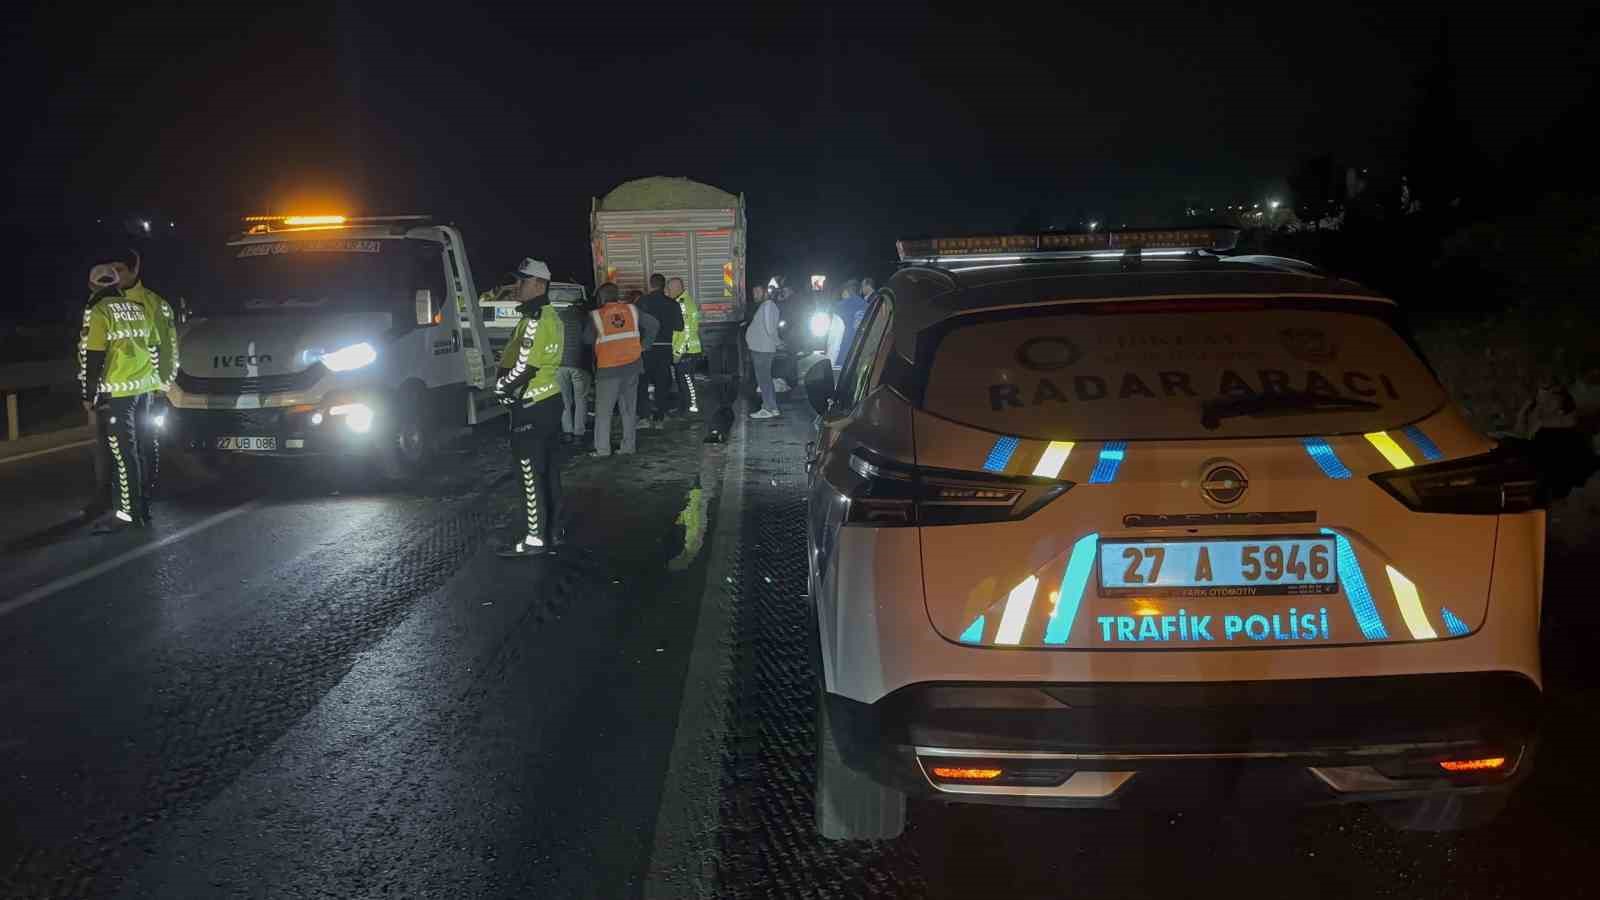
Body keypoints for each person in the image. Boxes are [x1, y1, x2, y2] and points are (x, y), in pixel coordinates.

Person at [78, 261, 161, 533]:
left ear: (92, 286)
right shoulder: (138, 308)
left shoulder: (99, 311)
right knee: (138, 450)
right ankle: (143, 506)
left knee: (124, 454)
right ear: (115, 285)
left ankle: (128, 514)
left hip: (118, 393)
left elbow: (93, 357)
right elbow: (154, 348)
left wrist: (89, 395)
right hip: (144, 389)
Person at [494, 258, 565, 558]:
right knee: (548, 472)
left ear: (538, 284)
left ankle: (535, 539)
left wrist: (502, 388)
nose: (517, 287)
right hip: (547, 403)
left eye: (521, 282)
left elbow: (526, 366)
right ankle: (553, 532)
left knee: (529, 474)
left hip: (531, 405)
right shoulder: (548, 316)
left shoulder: (536, 319)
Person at [114, 250, 176, 519]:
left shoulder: (154, 304)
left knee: (143, 443)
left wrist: (164, 384)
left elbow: (168, 346)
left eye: (120, 269)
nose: (115, 275)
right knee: (118, 449)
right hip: (113, 389)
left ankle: (144, 494)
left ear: (134, 269)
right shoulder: (104, 303)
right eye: (111, 269)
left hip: (144, 389)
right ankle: (123, 498)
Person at [586, 283, 659, 456]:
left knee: (604, 412)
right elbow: (654, 324)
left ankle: (603, 449)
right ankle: (628, 447)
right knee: (628, 410)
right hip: (632, 366)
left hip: (608, 369)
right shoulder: (632, 310)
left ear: (602, 297)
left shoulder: (596, 315)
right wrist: (643, 346)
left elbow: (587, 339)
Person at [700, 284, 752, 443]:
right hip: (729, 373)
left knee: (718, 401)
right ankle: (719, 430)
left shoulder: (729, 329)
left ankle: (717, 430)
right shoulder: (736, 322)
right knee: (723, 401)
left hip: (724, 373)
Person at [635, 273, 683, 429]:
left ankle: (643, 417)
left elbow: (635, 324)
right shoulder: (673, 304)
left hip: (645, 349)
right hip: (665, 348)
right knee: (662, 383)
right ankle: (659, 419)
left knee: (642, 382)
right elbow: (679, 327)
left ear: (650, 285)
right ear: (665, 286)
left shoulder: (642, 302)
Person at [554, 291, 593, 445]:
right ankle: (579, 433)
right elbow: (589, 340)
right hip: (579, 364)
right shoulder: (586, 319)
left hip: (559, 364)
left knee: (565, 400)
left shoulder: (559, 317)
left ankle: (567, 432)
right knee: (581, 399)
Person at [745, 281, 782, 419]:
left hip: (762, 349)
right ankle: (773, 408)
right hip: (762, 348)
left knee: (763, 380)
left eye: (758, 292)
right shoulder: (766, 306)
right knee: (766, 379)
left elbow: (770, 328)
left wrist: (777, 343)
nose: (755, 295)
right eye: (754, 292)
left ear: (765, 292)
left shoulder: (768, 306)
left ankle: (768, 408)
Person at [669, 277, 701, 415]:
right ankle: (684, 407)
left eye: (669, 289)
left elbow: (685, 332)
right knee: (683, 382)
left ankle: (691, 409)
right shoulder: (684, 302)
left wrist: (677, 352)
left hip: (685, 351)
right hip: (688, 350)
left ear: (677, 288)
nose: (667, 292)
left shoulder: (682, 304)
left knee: (686, 382)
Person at [826, 279, 868, 372]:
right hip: (863, 364)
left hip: (843, 362)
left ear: (845, 292)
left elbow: (834, 341)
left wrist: (830, 365)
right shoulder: (869, 307)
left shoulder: (839, 308)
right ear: (859, 291)